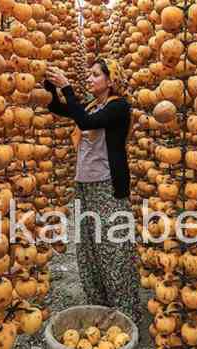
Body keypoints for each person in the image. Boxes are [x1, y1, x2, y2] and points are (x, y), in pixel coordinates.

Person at [43, 60, 143, 324]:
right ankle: (99, 307)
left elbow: (86, 122)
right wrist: (52, 87)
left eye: (95, 75)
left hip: (107, 185)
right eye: (89, 74)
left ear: (110, 81)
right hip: (85, 184)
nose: (90, 79)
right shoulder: (92, 105)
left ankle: (124, 315)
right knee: (88, 248)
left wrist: (67, 86)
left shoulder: (118, 106)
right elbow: (59, 108)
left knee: (112, 247)